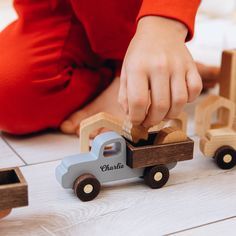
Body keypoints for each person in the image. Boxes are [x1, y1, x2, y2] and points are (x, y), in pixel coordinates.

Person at [0, 0, 209, 135]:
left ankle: (148, 62)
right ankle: (151, 69)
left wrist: (164, 23)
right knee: (9, 91)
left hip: (139, 12)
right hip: (60, 10)